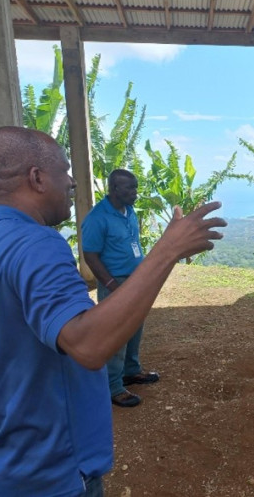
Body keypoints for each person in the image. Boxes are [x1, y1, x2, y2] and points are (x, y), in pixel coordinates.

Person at [0, 126, 226, 496]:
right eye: (64, 170)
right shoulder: (36, 244)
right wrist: (168, 250)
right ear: (37, 178)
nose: (73, 182)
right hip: (48, 472)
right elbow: (89, 345)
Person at [82, 169, 158, 408]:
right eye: (130, 188)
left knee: (135, 327)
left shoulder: (129, 211)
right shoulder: (97, 218)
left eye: (136, 187)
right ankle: (113, 386)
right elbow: (90, 256)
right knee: (116, 334)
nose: (135, 193)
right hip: (116, 282)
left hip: (135, 280)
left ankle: (131, 371)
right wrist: (112, 285)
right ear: (114, 189)